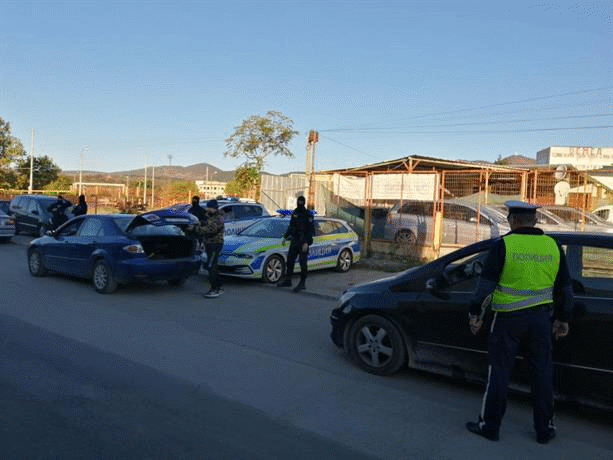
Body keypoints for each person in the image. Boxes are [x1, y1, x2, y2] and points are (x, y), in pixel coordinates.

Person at [465, 201, 573, 444]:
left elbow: (485, 287)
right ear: (535, 222)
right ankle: (544, 430)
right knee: (542, 374)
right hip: (541, 321)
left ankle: (489, 427)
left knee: (499, 373)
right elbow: (565, 287)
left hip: (507, 320)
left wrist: (475, 313)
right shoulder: (553, 246)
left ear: (512, 221)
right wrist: (564, 318)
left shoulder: (503, 245)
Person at [277, 196, 315, 292]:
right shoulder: (295, 212)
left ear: (304, 202)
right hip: (294, 240)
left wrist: (307, 242)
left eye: (302, 201)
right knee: (290, 261)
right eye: (299, 201)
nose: (300, 203)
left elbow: (310, 230)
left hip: (303, 242)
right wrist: (285, 237)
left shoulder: (308, 214)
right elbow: (291, 226)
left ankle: (302, 283)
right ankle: (288, 280)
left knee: (303, 263)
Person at [199, 199, 225, 298]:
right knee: (212, 265)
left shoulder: (218, 218)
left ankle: (215, 289)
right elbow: (206, 225)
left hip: (216, 244)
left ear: (212, 208)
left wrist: (198, 229)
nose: (207, 209)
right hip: (209, 244)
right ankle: (219, 286)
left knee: (211, 266)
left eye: (208, 207)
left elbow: (211, 230)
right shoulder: (211, 217)